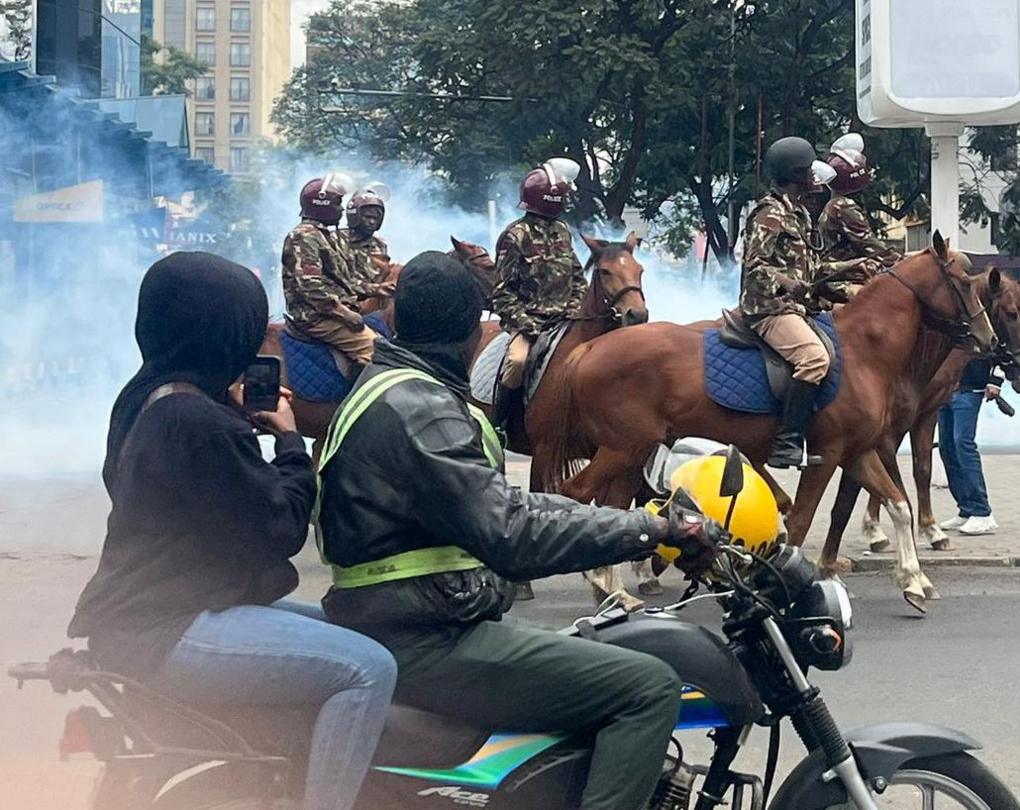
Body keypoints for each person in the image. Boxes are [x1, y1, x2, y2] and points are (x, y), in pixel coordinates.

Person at [314, 251, 720, 810]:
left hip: (404, 617)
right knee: (647, 687)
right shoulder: (423, 409)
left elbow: (507, 504)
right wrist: (649, 530)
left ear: (398, 319)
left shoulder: (390, 388)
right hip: (425, 636)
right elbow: (511, 534)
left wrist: (642, 522)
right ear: (469, 328)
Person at [67, 252, 397, 810]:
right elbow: (281, 527)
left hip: (156, 609)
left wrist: (237, 420)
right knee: (368, 667)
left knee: (356, 628)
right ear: (221, 328)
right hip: (167, 625)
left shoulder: (151, 396)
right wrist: (292, 443)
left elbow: (197, 498)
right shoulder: (198, 422)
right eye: (251, 322)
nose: (261, 334)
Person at [742, 136, 880, 468]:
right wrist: (786, 282)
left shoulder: (800, 214)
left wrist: (852, 266)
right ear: (794, 175)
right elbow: (754, 266)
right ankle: (787, 442)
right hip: (769, 309)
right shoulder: (769, 213)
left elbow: (813, 268)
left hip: (798, 307)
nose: (814, 176)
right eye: (808, 170)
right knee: (814, 358)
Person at [491, 157, 585, 425]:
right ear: (551, 198)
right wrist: (528, 325)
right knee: (518, 363)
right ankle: (503, 424)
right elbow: (501, 292)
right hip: (528, 325)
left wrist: (574, 308)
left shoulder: (562, 231)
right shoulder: (515, 236)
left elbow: (577, 277)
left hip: (564, 321)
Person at [282, 175, 381, 373]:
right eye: (337, 204)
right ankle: (359, 402)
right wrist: (344, 313)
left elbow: (343, 282)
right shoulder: (305, 236)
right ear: (322, 205)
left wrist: (378, 289)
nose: (342, 209)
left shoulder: (323, 236)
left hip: (331, 312)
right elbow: (311, 287)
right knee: (378, 354)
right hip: (317, 317)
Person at [937, 359, 1003, 535]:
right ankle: (966, 508)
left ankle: (982, 512)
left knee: (963, 444)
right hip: (946, 389)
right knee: (946, 447)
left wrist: (996, 381)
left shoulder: (988, 329)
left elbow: (1003, 351)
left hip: (970, 388)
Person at [818, 133, 902, 272]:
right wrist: (907, 263)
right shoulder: (843, 207)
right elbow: (873, 247)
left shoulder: (834, 204)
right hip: (845, 278)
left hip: (838, 273)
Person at [342, 186, 394, 292]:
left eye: (375, 218)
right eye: (368, 217)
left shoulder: (380, 245)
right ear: (354, 215)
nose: (372, 222)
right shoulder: (336, 240)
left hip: (371, 302)